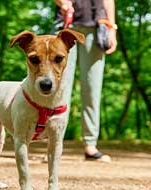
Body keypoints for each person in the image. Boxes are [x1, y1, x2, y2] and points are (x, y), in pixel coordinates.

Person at [54, 0, 117, 162]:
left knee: (92, 89)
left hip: (97, 27)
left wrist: (112, 29)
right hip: (67, 26)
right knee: (60, 88)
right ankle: (54, 144)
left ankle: (90, 145)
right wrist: (62, 3)